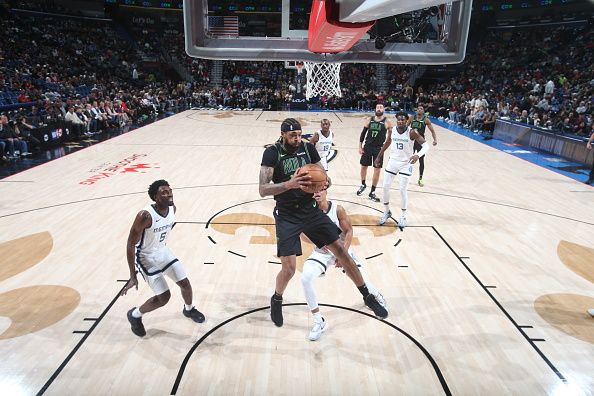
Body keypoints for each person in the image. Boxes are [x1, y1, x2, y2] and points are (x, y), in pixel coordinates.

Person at [259, 118, 388, 327]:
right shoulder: (273, 152)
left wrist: (324, 183)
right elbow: (263, 190)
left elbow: (326, 178)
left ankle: (367, 296)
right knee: (290, 269)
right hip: (286, 215)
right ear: (283, 134)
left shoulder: (308, 148)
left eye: (299, 134)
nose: (297, 139)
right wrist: (290, 184)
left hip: (310, 211)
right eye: (293, 136)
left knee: (341, 250)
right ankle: (277, 298)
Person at [301, 187, 387, 341]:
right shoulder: (308, 211)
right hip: (322, 254)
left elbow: (349, 231)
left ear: (326, 191)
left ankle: (376, 297)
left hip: (342, 250)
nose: (317, 193)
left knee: (362, 279)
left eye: (320, 189)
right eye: (313, 191)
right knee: (305, 278)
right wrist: (318, 242)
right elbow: (302, 234)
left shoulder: (337, 209)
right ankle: (318, 321)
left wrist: (343, 254)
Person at [121, 179, 205, 337]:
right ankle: (135, 315)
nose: (169, 194)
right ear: (155, 197)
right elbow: (130, 244)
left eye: (170, 190)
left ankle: (189, 309)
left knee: (185, 283)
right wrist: (132, 275)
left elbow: (164, 230)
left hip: (162, 252)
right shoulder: (145, 215)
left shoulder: (173, 209)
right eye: (164, 192)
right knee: (164, 297)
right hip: (145, 257)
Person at [375, 112, 429, 229]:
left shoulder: (412, 132)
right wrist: (379, 156)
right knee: (385, 187)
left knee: (402, 190)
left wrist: (417, 155)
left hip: (406, 163)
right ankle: (386, 211)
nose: (400, 121)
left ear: (406, 120)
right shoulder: (392, 130)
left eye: (403, 120)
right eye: (398, 120)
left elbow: (426, 146)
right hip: (393, 161)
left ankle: (403, 216)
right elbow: (388, 142)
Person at [357, 103, 393, 202]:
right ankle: (363, 184)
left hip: (379, 149)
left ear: (383, 110)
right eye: (377, 107)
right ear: (375, 109)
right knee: (363, 166)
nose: (379, 109)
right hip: (367, 147)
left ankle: (372, 192)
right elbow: (363, 133)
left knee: (377, 170)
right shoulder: (369, 119)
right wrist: (360, 146)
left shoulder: (387, 122)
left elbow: (391, 137)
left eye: (381, 107)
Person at [408, 105, 437, 187]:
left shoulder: (426, 120)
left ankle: (420, 178)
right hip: (411, 141)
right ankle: (406, 175)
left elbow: (433, 131)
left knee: (421, 160)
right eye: (418, 109)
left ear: (423, 111)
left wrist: (435, 140)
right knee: (408, 158)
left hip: (421, 142)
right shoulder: (411, 118)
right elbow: (406, 128)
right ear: (416, 110)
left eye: (421, 109)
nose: (420, 110)